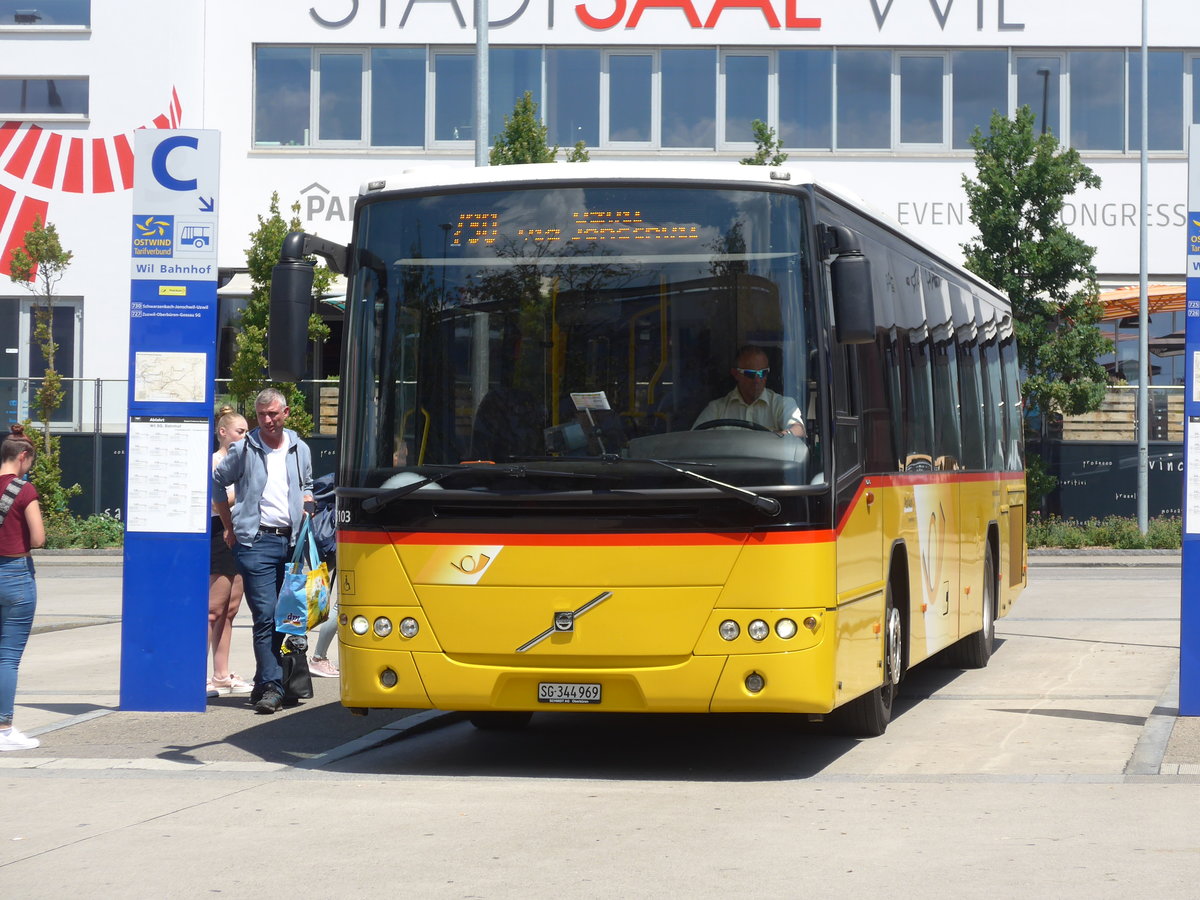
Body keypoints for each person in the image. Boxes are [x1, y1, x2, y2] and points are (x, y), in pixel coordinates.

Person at [212, 389, 314, 715]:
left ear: (285, 413)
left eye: (272, 414)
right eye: (261, 415)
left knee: (289, 617)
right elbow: (217, 481)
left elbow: (307, 485)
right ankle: (272, 687)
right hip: (256, 543)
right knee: (266, 615)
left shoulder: (299, 448)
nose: (267, 420)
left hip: (292, 543)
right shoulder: (244, 448)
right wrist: (228, 525)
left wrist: (308, 505)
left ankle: (275, 682)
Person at [0, 425, 45, 751]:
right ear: (23, 456)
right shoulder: (24, 490)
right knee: (8, 658)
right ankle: (4, 728)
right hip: (16, 576)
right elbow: (39, 538)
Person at [208, 408, 251, 699]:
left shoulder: (245, 462)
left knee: (230, 609)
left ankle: (221, 675)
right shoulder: (214, 462)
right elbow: (215, 501)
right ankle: (195, 677)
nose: (244, 437)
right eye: (240, 431)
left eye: (247, 432)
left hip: (239, 532)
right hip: (218, 532)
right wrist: (244, 490)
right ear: (223, 432)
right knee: (213, 609)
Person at [693, 345, 806, 438]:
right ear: (735, 374)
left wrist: (778, 437)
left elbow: (799, 430)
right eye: (750, 374)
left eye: (763, 373)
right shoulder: (716, 409)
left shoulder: (781, 404)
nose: (757, 380)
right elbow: (694, 440)